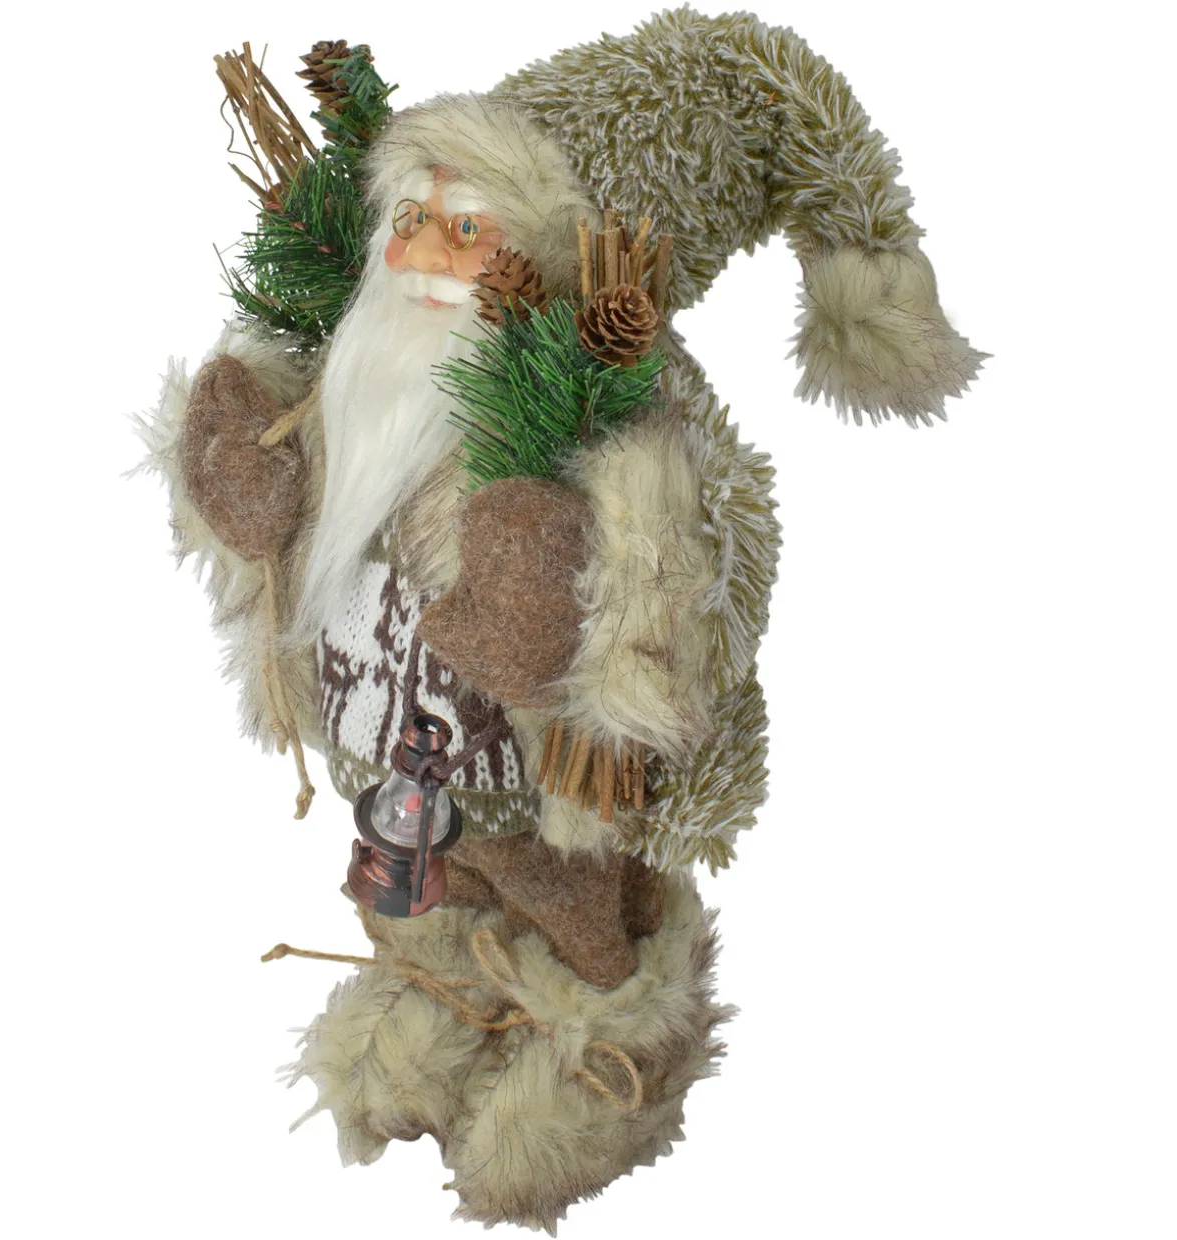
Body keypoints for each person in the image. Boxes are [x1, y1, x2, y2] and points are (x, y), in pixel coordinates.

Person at [140, 11, 983, 1228]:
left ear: (549, 252)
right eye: (410, 216)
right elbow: (278, 513)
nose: (421, 255)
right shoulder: (353, 376)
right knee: (418, 892)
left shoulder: (630, 420)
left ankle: (611, 1044)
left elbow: (713, 583)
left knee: (574, 909)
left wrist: (567, 609)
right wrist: (243, 485)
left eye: (467, 228)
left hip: (538, 785)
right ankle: (441, 998)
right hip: (393, 759)